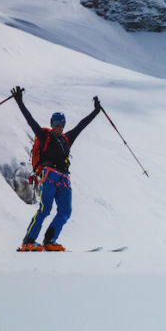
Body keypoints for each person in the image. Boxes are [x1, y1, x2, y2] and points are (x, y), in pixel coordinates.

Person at [11, 86, 101, 252]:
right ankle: (28, 241)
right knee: (45, 209)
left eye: (61, 123)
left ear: (64, 125)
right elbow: (30, 121)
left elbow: (81, 125)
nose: (58, 126)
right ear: (51, 124)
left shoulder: (67, 138)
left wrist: (95, 112)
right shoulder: (44, 136)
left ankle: (50, 241)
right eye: (56, 123)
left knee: (66, 211)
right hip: (49, 176)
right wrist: (20, 102)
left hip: (64, 179)